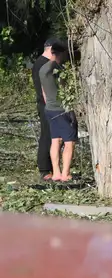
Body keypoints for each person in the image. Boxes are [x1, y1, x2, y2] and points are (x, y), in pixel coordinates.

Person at [38, 45, 77, 182]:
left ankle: (56, 173)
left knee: (55, 140)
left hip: (49, 108)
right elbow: (65, 89)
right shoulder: (57, 69)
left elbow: (43, 90)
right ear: (60, 53)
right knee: (69, 142)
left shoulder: (43, 68)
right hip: (61, 109)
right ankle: (66, 174)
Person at [31, 38, 64, 181]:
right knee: (47, 135)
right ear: (51, 50)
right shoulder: (42, 65)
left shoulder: (43, 63)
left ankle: (51, 167)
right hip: (46, 105)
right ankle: (44, 169)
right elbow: (44, 89)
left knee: (53, 136)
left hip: (49, 104)